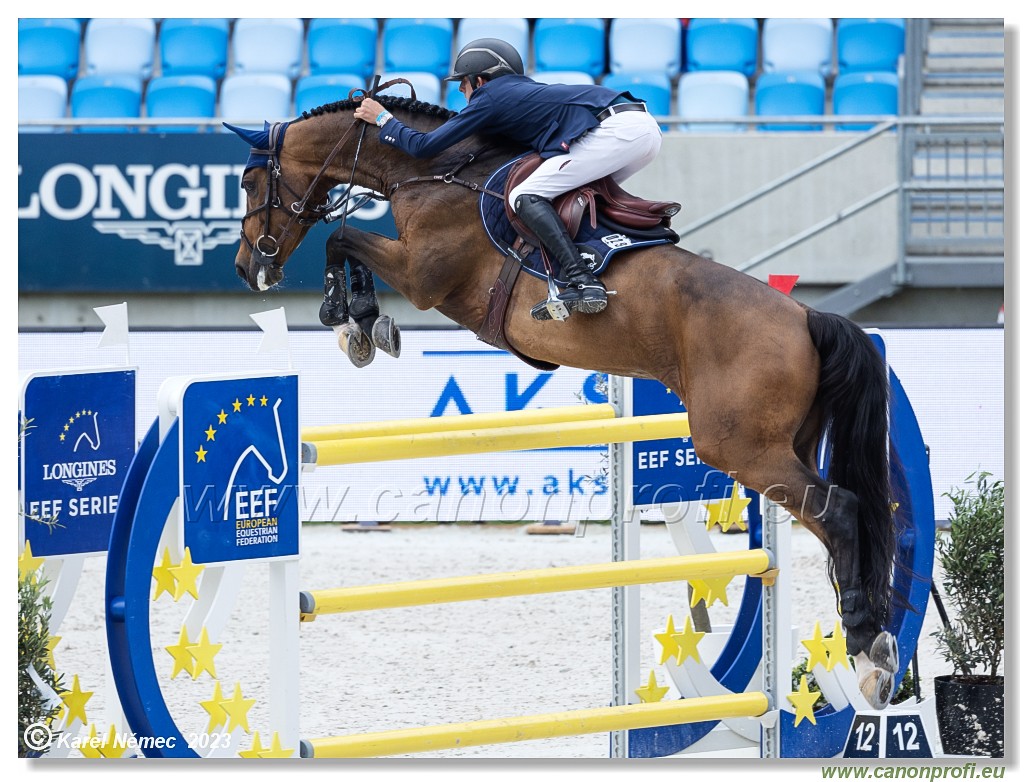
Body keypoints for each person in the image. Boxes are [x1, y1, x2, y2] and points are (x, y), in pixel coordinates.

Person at [354, 38, 663, 318]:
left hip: (617, 132)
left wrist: (383, 118)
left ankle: (582, 280)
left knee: (524, 196)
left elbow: (423, 147)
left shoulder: (490, 97)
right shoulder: (516, 94)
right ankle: (595, 259)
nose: (461, 92)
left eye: (462, 85)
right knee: (572, 195)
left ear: (479, 79)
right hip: (642, 130)